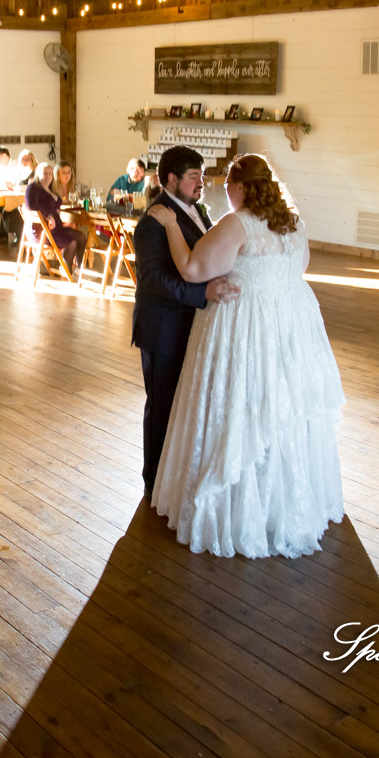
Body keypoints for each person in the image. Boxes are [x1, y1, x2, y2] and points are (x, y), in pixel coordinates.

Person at [145, 153, 344, 558]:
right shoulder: (293, 223)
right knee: (278, 408)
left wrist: (171, 226)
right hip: (290, 329)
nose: (224, 192)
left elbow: (192, 269)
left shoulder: (237, 224)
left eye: (226, 186)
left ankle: (235, 506)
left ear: (240, 186)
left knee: (241, 405)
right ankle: (284, 503)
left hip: (245, 328)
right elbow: (301, 267)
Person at [131, 145, 241, 503]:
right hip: (162, 327)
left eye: (202, 176)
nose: (201, 183)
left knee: (187, 402)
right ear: (171, 179)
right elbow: (152, 280)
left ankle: (177, 476)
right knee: (161, 404)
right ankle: (153, 481)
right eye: (194, 177)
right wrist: (202, 293)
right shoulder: (152, 223)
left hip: (192, 324)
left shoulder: (199, 212)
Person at [24, 162, 87, 270]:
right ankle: (67, 270)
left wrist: (56, 209)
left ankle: (80, 270)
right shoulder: (33, 188)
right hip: (42, 230)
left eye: (50, 174)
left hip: (56, 227)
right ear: (38, 174)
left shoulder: (50, 188)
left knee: (81, 237)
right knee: (72, 243)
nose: (48, 176)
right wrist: (48, 216)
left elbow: (54, 205)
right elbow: (31, 207)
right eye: (44, 173)